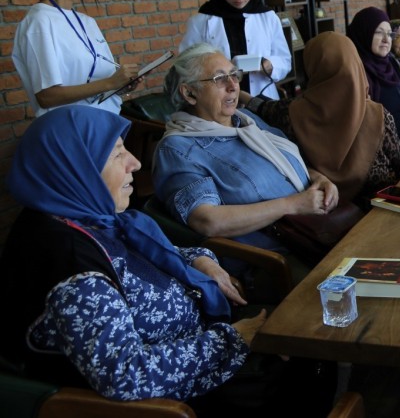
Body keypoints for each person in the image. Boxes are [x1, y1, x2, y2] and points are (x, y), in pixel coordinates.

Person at [0, 106, 257, 403]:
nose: (135, 163)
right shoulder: (70, 269)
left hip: (211, 338)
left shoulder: (88, 216)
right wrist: (236, 338)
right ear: (77, 167)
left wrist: (199, 259)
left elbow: (152, 257)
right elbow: (127, 374)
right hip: (190, 393)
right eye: (117, 154)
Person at [152, 44, 339, 263]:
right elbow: (207, 220)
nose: (233, 86)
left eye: (234, 75)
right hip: (275, 259)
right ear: (189, 93)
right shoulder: (178, 149)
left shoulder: (246, 120)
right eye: (219, 79)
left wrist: (319, 178)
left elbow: (281, 164)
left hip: (315, 231)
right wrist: (293, 205)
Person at [243, 32, 400, 205]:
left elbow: (261, 107)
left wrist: (239, 94)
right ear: (355, 64)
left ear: (312, 68)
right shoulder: (379, 115)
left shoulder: (290, 113)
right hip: (384, 209)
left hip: (327, 212)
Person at [13, 0, 141, 116]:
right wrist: (111, 83)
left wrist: (121, 84)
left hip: (106, 123)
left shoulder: (88, 22)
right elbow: (47, 96)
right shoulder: (39, 21)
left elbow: (101, 85)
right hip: (72, 129)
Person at [179, 0, 291, 100]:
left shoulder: (268, 17)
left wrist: (270, 65)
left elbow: (284, 60)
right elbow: (185, 66)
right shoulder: (201, 21)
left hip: (262, 98)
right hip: (218, 103)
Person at [347, 7, 400, 153]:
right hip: (394, 155)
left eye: (389, 34)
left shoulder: (391, 64)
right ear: (364, 34)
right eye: (379, 33)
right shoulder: (358, 74)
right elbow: (368, 134)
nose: (387, 40)